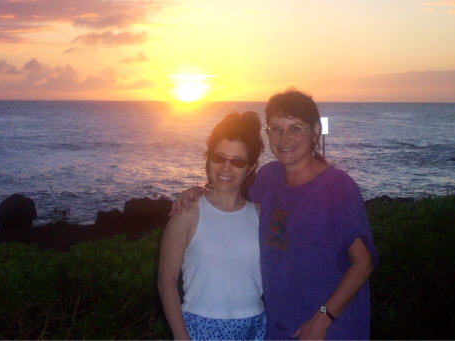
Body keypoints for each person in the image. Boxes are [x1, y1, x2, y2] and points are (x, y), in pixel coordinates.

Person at [174, 89, 378, 340]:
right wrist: (198, 190)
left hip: (331, 330)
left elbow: (363, 262)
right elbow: (231, 195)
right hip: (278, 328)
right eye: (276, 128)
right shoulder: (268, 178)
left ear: (315, 134)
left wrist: (323, 318)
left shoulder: (338, 187)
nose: (284, 138)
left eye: (295, 128)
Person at [157, 112, 266, 340]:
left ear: (251, 167)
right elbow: (165, 281)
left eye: (237, 162)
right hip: (198, 327)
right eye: (219, 158)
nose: (226, 168)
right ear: (208, 158)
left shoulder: (260, 215)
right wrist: (181, 336)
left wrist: (324, 313)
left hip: (254, 328)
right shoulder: (187, 212)